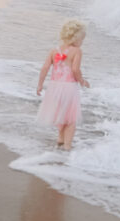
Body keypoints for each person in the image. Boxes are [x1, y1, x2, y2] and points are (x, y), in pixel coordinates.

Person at [36, 19, 90, 150]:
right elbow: (75, 70)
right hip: (68, 87)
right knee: (70, 118)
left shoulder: (54, 50)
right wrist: (82, 81)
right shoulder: (77, 51)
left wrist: (40, 85)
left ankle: (60, 139)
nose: (82, 42)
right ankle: (68, 145)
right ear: (75, 38)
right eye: (82, 39)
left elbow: (44, 68)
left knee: (60, 114)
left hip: (54, 87)